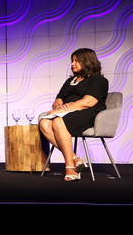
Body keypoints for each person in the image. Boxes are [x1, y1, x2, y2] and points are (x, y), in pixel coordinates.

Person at [39, 48, 108, 181]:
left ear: (87, 62)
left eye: (77, 61)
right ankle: (76, 159)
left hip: (89, 113)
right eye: (72, 61)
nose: (72, 64)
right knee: (44, 123)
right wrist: (59, 106)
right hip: (67, 112)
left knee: (59, 121)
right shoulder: (70, 81)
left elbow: (88, 102)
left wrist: (63, 110)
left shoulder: (99, 80)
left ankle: (70, 167)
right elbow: (58, 100)